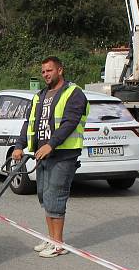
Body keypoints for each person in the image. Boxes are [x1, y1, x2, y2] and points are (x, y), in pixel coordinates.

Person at [12, 56, 89, 258]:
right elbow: (29, 123)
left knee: (56, 195)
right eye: (43, 71)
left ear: (60, 70)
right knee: (44, 197)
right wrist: (20, 145)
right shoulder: (40, 96)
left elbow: (69, 123)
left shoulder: (74, 93)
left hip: (63, 154)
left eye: (50, 70)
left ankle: (58, 243)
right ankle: (51, 237)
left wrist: (51, 145)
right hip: (42, 154)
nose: (46, 74)